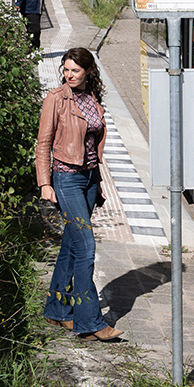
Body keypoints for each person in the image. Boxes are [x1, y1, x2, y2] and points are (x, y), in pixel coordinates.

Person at [36, 46, 122, 341]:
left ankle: (57, 310)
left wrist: (97, 180)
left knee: (72, 246)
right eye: (66, 70)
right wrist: (45, 183)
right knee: (86, 247)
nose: (69, 75)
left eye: (75, 70)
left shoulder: (92, 98)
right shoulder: (56, 99)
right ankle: (90, 322)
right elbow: (43, 143)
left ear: (88, 71)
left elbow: (93, 143)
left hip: (89, 178)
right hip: (66, 178)